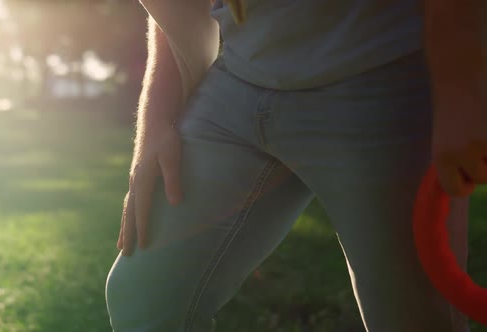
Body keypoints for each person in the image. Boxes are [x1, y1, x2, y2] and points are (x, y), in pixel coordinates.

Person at [106, 0, 487, 331]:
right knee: (144, 296)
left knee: (413, 322)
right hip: (238, 79)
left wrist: (460, 89)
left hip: (383, 78)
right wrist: (157, 118)